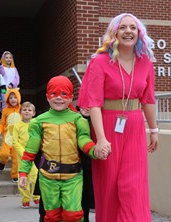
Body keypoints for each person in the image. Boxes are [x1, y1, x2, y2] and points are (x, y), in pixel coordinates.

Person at [77, 13, 159, 222]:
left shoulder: (145, 62)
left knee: (134, 186)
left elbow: (148, 99)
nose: (128, 31)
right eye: (122, 27)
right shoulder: (100, 61)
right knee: (109, 186)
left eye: (133, 27)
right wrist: (101, 139)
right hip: (106, 124)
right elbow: (94, 102)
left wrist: (154, 129)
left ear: (139, 33)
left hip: (134, 125)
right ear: (114, 33)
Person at [18, 76, 104, 222]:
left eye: (64, 94)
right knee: (51, 216)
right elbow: (30, 150)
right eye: (54, 94)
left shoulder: (78, 120)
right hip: (48, 178)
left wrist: (94, 150)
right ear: (47, 97)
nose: (59, 98)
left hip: (73, 177)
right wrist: (23, 173)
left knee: (73, 216)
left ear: (71, 97)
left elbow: (83, 139)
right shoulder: (38, 122)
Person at [34, 106, 95, 222]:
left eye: (90, 105)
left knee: (78, 212)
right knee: (50, 213)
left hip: (82, 178)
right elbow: (38, 149)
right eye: (84, 103)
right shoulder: (63, 118)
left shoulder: (99, 124)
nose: (87, 107)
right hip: (52, 176)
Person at [12, 101, 40, 209]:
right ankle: (25, 198)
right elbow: (15, 141)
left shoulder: (36, 124)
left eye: (29, 110)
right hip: (22, 156)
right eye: (24, 110)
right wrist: (23, 152)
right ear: (20, 112)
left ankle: (37, 196)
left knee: (35, 176)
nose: (27, 112)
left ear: (33, 113)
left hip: (34, 155)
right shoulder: (17, 126)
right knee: (23, 178)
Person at [0, 88, 22, 182]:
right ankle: (2, 162)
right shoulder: (5, 110)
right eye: (10, 97)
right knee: (4, 154)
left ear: (18, 98)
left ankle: (15, 175)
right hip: (7, 137)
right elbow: (2, 123)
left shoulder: (22, 109)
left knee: (16, 158)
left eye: (15, 97)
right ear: (7, 99)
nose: (13, 99)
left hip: (18, 139)